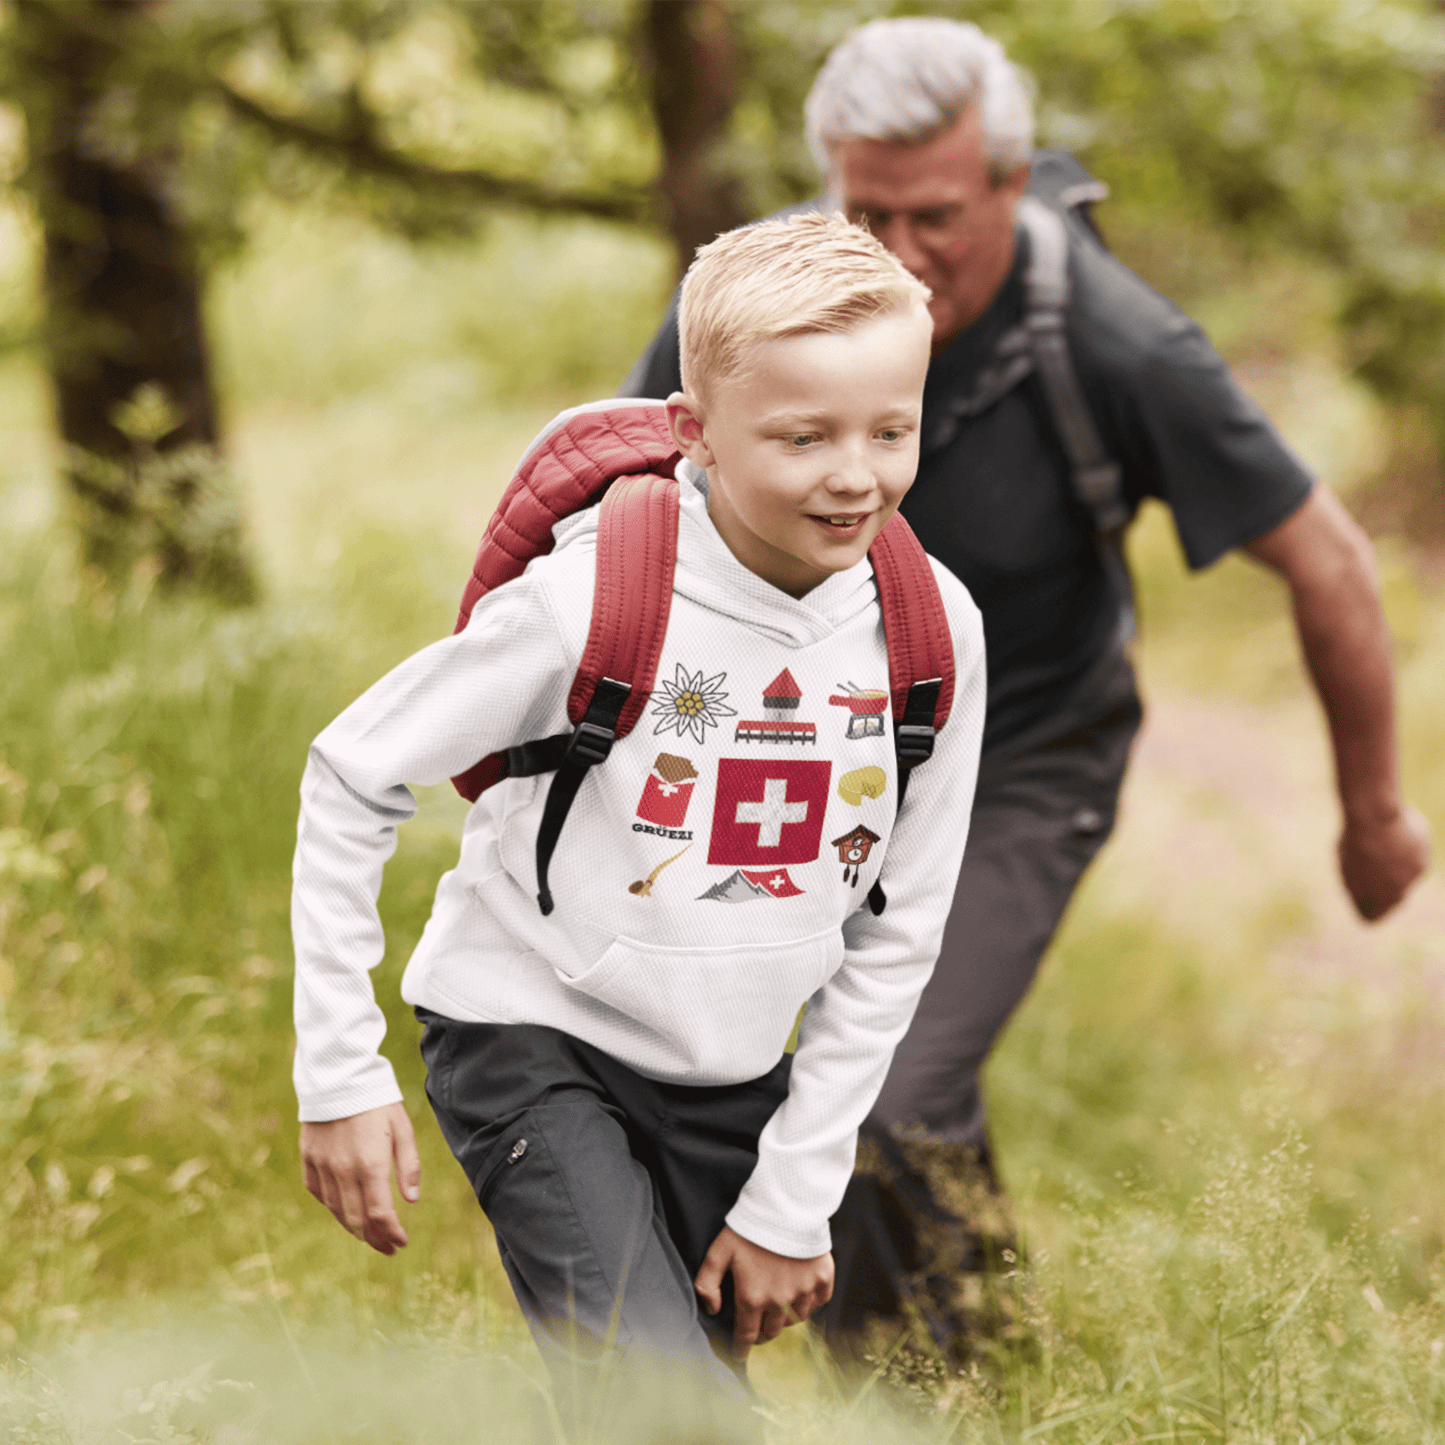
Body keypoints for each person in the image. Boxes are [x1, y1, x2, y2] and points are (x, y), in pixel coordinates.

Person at [621, 17, 1432, 1359]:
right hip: (809, 757)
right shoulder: (760, 302)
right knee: (787, 1078)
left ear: (1012, 182)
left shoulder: (1115, 344)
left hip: (1023, 758)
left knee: (871, 1087)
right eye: (861, 206)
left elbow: (1331, 562)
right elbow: (626, 495)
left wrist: (1372, 813)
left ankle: (927, 1391)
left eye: (932, 214)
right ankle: (990, 1365)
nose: (891, 249)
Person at [289, 212, 988, 1432]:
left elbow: (900, 928)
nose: (854, 473)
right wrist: (339, 1068)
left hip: (732, 1070)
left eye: (891, 430)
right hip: (533, 1031)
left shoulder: (933, 632)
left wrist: (792, 1192)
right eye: (802, 435)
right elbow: (353, 769)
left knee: (677, 1396)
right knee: (662, 1410)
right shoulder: (588, 601)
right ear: (693, 432)